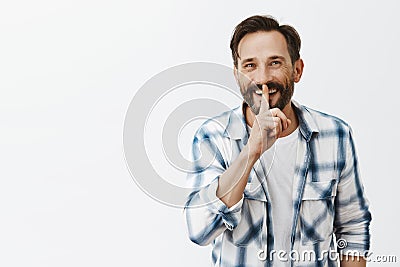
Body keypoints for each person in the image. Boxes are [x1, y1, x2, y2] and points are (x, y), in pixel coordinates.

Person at [184, 15, 371, 267]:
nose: (262, 78)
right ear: (237, 75)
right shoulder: (213, 137)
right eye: (250, 65)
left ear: (297, 70)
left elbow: (352, 229)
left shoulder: (335, 134)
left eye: (274, 63)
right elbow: (200, 231)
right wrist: (251, 151)